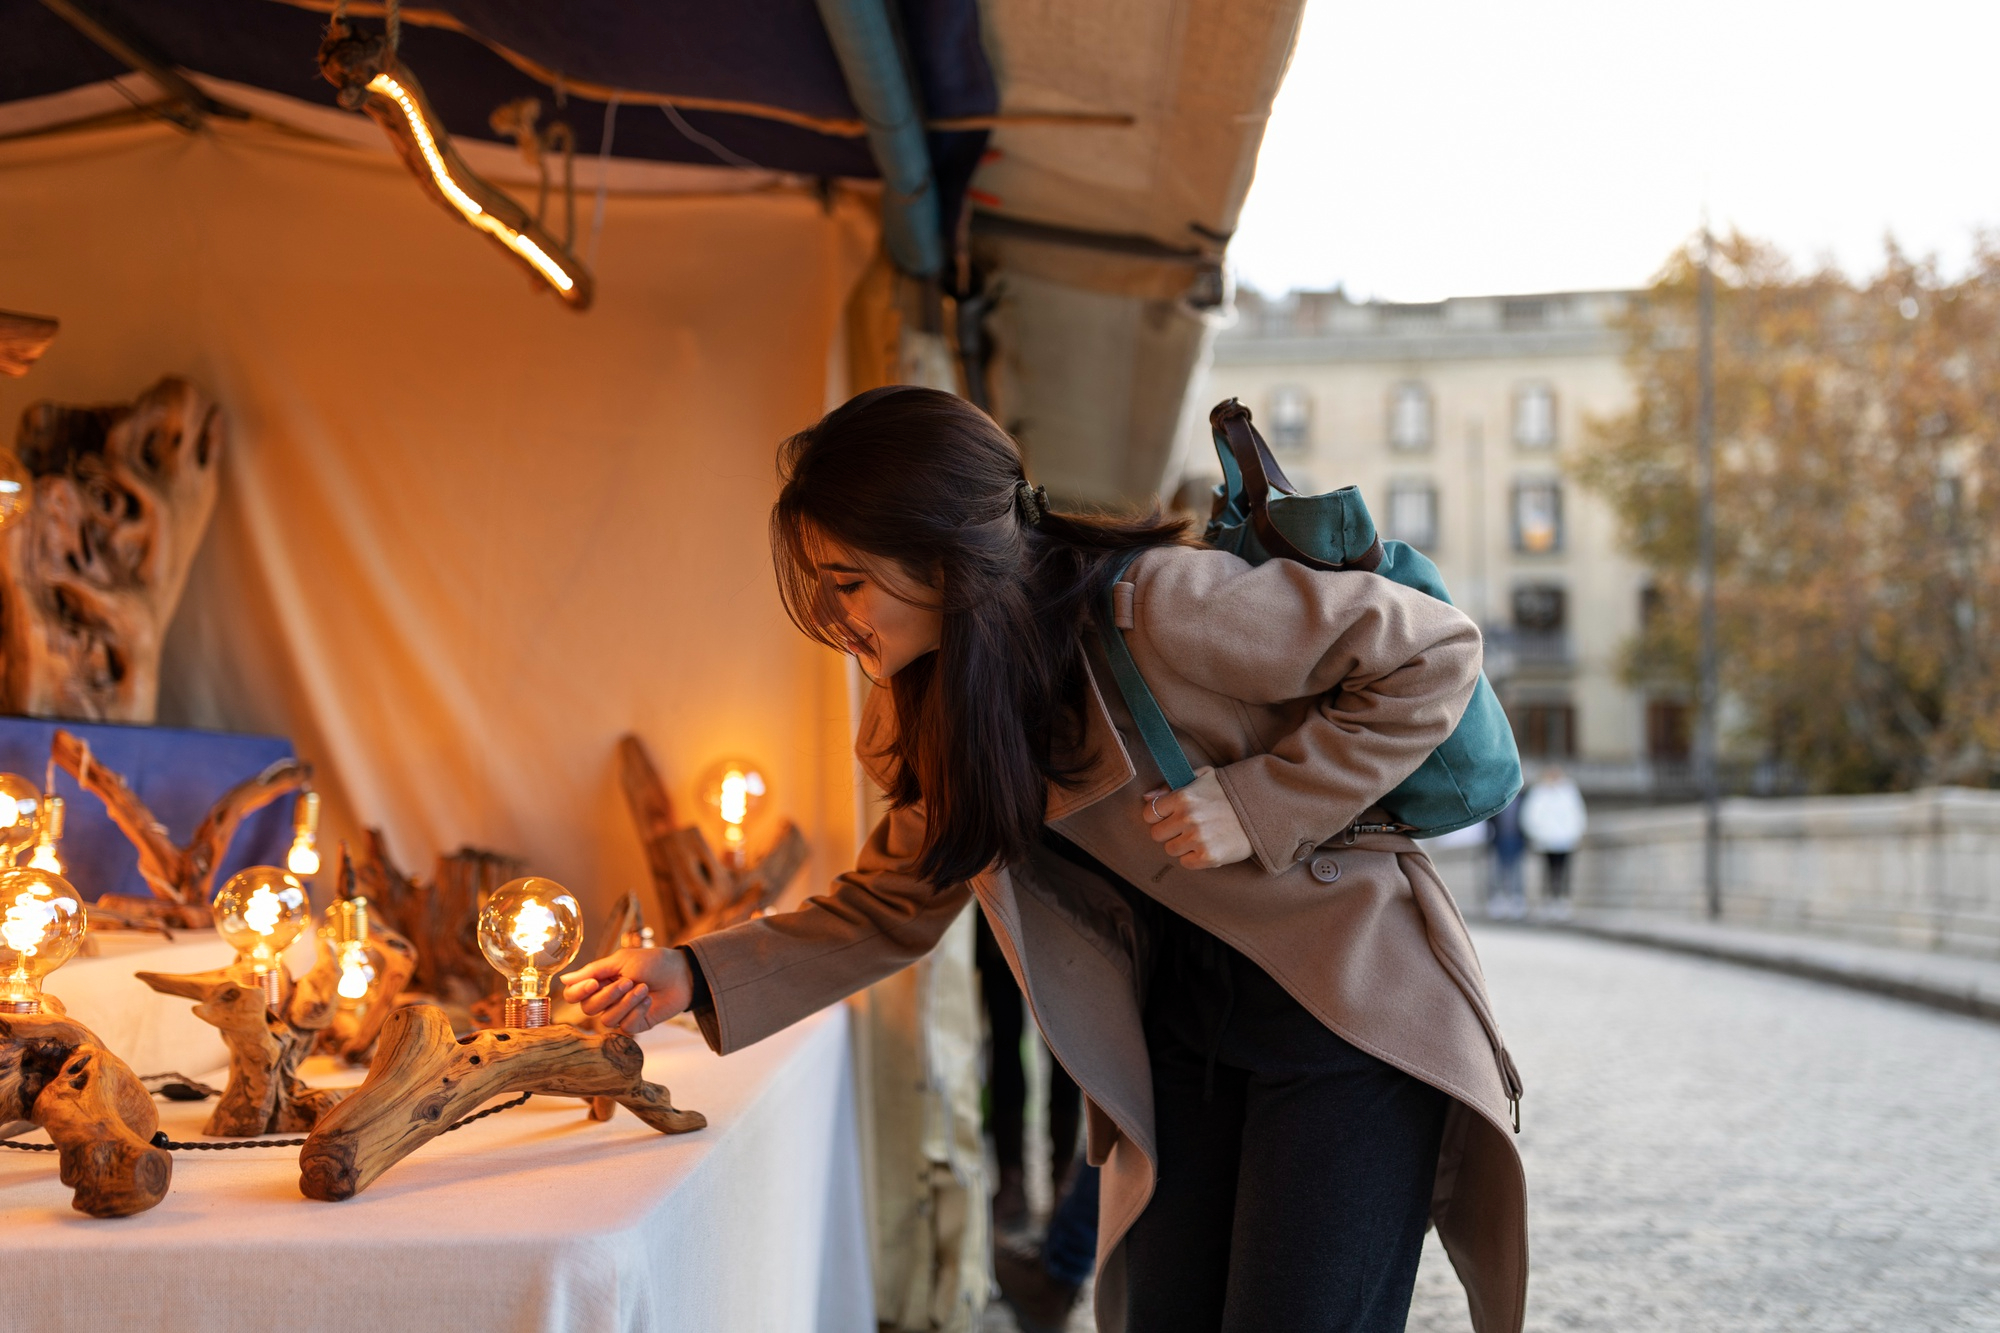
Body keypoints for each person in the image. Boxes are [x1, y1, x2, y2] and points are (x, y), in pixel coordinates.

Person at [560, 387, 1527, 1333]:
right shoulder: (927, 704)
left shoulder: (1163, 605)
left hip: (1346, 1013)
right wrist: (691, 972)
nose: (830, 611)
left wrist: (1257, 803)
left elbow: (1434, 653)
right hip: (1181, 1039)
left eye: (847, 579)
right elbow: (891, 904)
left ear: (939, 554)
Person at [1520, 766, 1587, 919]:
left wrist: (1576, 833)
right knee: (1549, 870)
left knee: (1564, 871)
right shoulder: (1539, 791)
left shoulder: (1568, 791)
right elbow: (1531, 816)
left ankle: (1562, 899)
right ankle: (1549, 899)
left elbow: (1577, 814)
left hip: (1566, 838)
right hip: (1547, 839)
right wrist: (1537, 834)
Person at [1486, 792, 1527, 920]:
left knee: (1517, 871)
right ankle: (1498, 898)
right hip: (1498, 840)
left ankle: (1517, 899)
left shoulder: (1523, 797)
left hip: (1517, 840)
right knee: (1497, 871)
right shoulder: (1496, 798)